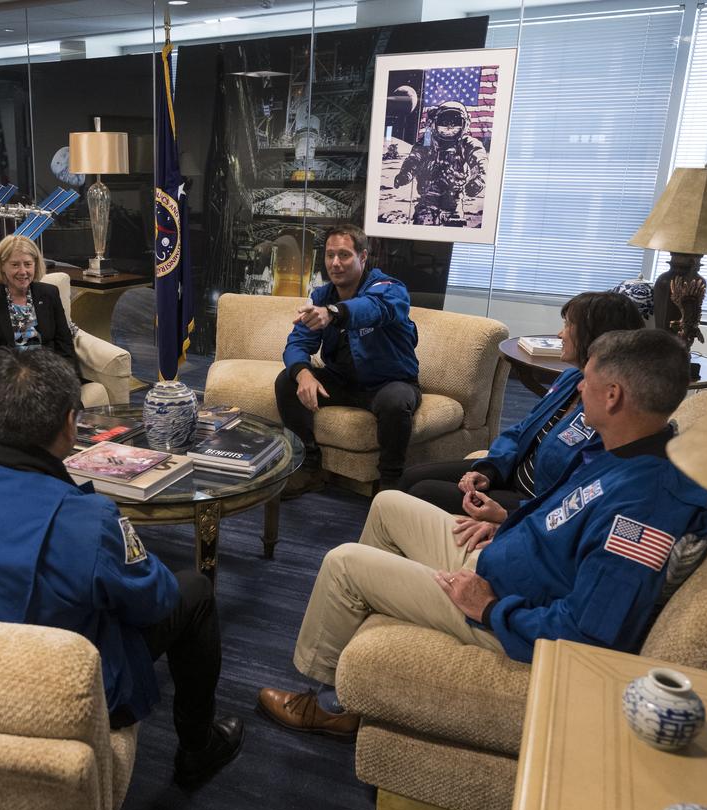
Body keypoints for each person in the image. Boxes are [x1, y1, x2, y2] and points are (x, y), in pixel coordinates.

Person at [257, 329, 707, 737]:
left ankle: (329, 704)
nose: (578, 388)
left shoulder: (646, 507)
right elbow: (562, 522)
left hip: (502, 608)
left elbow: (588, 635)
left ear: (612, 396)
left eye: (587, 381)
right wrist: (506, 525)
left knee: (343, 564)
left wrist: (491, 608)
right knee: (388, 504)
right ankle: (358, 654)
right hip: (500, 561)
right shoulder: (623, 453)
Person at [0, 348, 244, 787]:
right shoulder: (88, 518)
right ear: (69, 424)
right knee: (194, 590)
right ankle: (198, 747)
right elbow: (153, 601)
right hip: (50, 692)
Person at [397, 291, 645, 550]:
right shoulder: (570, 379)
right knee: (411, 476)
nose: (560, 334)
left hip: (530, 501)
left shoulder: (607, 412)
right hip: (509, 473)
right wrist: (489, 470)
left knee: (422, 492)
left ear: (595, 337)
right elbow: (521, 430)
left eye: (568, 326)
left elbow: (575, 497)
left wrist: (509, 515)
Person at [276, 223, 420, 496]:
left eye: (344, 255)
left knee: (395, 401)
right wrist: (303, 374)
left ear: (362, 257)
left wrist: (333, 313)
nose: (335, 263)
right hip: (342, 382)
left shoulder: (390, 288)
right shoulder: (321, 296)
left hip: (389, 383)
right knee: (287, 380)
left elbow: (374, 308)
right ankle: (309, 468)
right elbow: (298, 343)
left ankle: (390, 483)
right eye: (330, 255)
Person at [0, 235, 81, 377]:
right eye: (15, 265)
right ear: (2, 266)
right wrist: (16, 372)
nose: (23, 271)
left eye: (28, 264)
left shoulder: (50, 294)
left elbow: (65, 344)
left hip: (50, 372)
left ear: (35, 265)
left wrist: (68, 377)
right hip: (10, 376)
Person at [393, 101, 488, 227]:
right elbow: (415, 159)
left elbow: (479, 162)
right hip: (427, 201)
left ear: (465, 124)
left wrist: (478, 181)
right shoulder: (428, 141)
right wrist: (406, 174)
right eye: (444, 121)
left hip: (453, 204)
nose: (449, 127)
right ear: (435, 122)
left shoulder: (466, 144)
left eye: (455, 122)